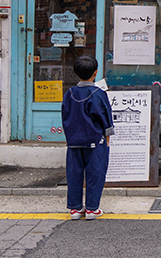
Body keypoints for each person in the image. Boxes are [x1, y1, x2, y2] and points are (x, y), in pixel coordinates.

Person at [61, 55, 114, 220]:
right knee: (96, 172)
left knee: (74, 173)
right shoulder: (98, 94)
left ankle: (75, 209)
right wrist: (107, 137)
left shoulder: (69, 93)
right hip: (94, 140)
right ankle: (92, 208)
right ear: (95, 73)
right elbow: (105, 116)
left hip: (74, 141)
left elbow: (65, 115)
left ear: (76, 73)